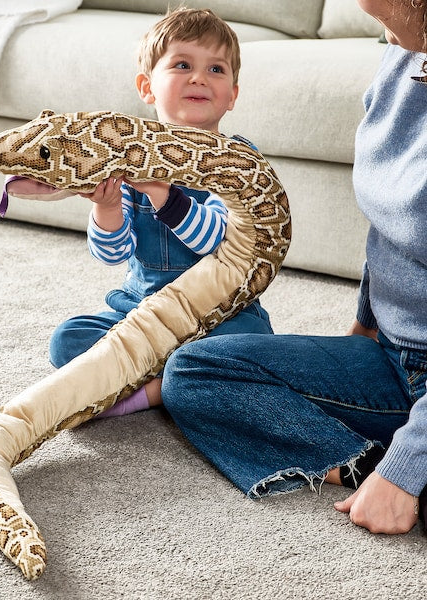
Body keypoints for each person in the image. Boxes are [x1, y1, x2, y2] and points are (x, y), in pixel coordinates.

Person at [161, 0, 427, 534]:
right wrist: (366, 323)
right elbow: (390, 222)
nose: (365, 15)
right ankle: (371, 461)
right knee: (195, 371)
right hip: (396, 358)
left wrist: (407, 469)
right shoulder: (404, 58)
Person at [44, 8, 273, 417]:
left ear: (233, 95)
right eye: (182, 65)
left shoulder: (239, 161)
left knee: (251, 342)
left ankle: (147, 390)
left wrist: (162, 192)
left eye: (216, 69)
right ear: (147, 87)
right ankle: (174, 381)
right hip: (143, 308)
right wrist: (107, 206)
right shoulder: (126, 159)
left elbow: (217, 240)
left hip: (218, 312)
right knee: (67, 340)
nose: (199, 77)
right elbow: (111, 254)